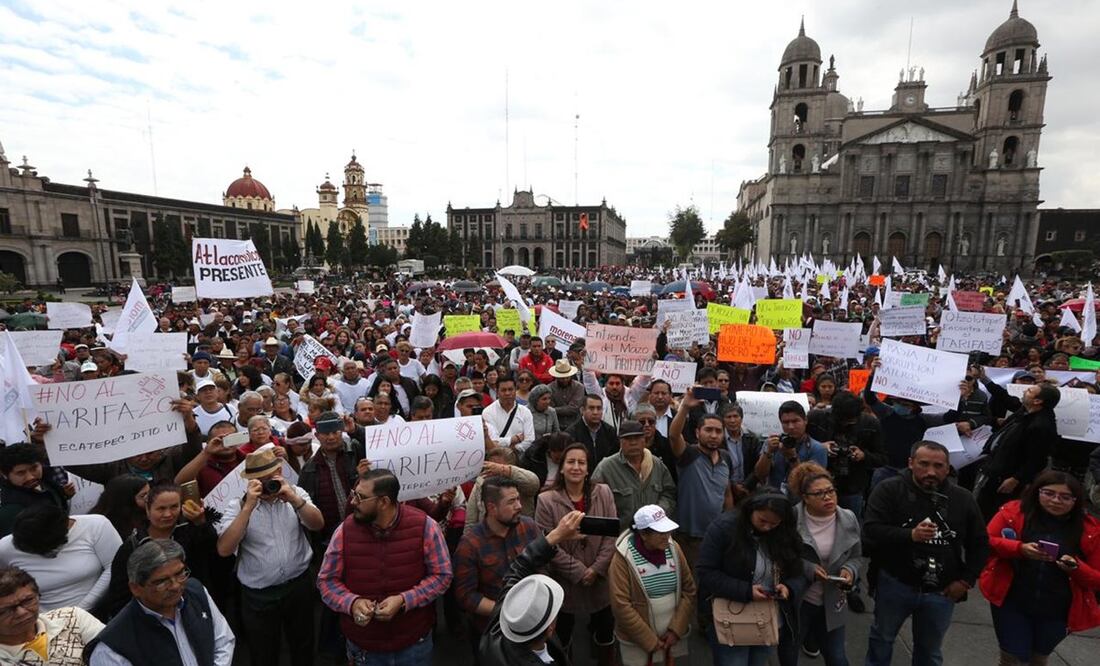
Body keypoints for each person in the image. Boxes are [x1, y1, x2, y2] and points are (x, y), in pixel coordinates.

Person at [863, 441, 990, 666]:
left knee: (929, 651)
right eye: (924, 464)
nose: (931, 471)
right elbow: (871, 529)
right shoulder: (889, 489)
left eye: (939, 465)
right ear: (910, 463)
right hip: (895, 583)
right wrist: (910, 535)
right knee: (882, 639)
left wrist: (967, 580)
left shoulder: (963, 498)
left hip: (942, 590)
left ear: (949, 468)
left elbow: (980, 543)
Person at [317, 468, 453, 666]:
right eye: (354, 494)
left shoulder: (426, 527)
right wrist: (352, 602)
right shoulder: (344, 531)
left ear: (383, 502)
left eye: (361, 497)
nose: (353, 502)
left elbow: (442, 575)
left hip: (414, 643)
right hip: (363, 646)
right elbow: (326, 581)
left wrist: (405, 600)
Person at [214, 448, 323, 666]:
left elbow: (317, 524)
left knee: (303, 645)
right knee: (263, 652)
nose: (266, 485)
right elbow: (224, 549)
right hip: (259, 595)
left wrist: (293, 499)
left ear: (280, 471)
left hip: (298, 586)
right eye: (259, 480)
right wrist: (248, 508)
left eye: (270, 478)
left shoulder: (296, 493)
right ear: (250, 481)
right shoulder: (237, 506)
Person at [980, 470, 1100, 666]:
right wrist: (1019, 549)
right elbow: (985, 542)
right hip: (1012, 601)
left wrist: (1076, 568)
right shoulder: (1013, 512)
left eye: (1065, 497)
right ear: (1037, 492)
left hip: (1058, 609)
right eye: (1049, 493)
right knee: (1013, 657)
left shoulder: (1091, 530)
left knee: (1038, 658)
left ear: (1076, 501)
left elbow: (1097, 578)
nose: (1056, 500)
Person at [696, 489, 809, 666]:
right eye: (762, 520)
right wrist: (746, 591)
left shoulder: (785, 533)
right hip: (730, 617)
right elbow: (705, 572)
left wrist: (789, 587)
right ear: (751, 510)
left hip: (768, 617)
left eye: (774, 524)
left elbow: (799, 572)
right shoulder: (724, 528)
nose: (767, 527)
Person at [87, 539, 234, 665]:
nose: (176, 586)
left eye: (180, 574)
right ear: (136, 588)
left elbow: (224, 642)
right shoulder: (112, 647)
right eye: (162, 581)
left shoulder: (196, 593)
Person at [534, 443, 618, 664]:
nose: (576, 467)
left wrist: (596, 569)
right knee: (562, 635)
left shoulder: (604, 492)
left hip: (599, 580)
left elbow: (611, 537)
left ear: (588, 468)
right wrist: (580, 572)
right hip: (565, 583)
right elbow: (547, 544)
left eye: (581, 462)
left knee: (605, 630)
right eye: (570, 462)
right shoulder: (546, 500)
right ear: (561, 468)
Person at [478, 510, 586, 666]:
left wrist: (555, 536)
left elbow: (518, 568)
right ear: (550, 629)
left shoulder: (496, 632)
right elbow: (517, 570)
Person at [100, 482, 218, 620]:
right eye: (161, 509)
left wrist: (201, 523)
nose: (168, 514)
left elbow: (214, 553)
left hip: (194, 610)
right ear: (148, 510)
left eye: (174, 507)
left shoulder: (191, 532)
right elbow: (120, 596)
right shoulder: (133, 546)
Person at [454, 476, 543, 642]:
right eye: (511, 502)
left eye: (518, 499)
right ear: (492, 508)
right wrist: (505, 611)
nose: (519, 506)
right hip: (493, 631)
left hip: (532, 622)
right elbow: (466, 596)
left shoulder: (529, 526)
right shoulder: (470, 544)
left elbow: (542, 567)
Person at [608, 505, 697, 666]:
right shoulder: (623, 558)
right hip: (637, 642)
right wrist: (649, 641)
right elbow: (621, 605)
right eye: (660, 532)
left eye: (667, 530)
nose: (667, 536)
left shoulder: (674, 548)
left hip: (671, 638)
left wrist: (675, 630)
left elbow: (689, 590)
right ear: (643, 534)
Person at [793, 466, 863, 666]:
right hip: (800, 601)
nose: (828, 497)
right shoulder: (792, 519)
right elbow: (782, 557)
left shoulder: (848, 518)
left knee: (837, 657)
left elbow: (857, 556)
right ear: (805, 498)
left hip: (833, 601)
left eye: (831, 491)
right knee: (789, 653)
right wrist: (809, 569)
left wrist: (850, 571)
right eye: (819, 493)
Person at [0, 505, 121, 614]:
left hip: (98, 611)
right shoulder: (5, 548)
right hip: (39, 620)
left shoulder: (96, 525)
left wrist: (80, 610)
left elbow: (115, 566)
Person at [973, 380, 1062, 521]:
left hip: (1006, 478)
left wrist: (1016, 479)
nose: (1024, 392)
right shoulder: (1025, 413)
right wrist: (985, 379)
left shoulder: (1041, 426)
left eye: (1030, 391)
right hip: (995, 469)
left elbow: (1036, 459)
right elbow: (1007, 399)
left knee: (994, 513)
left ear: (1038, 401)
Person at [667, 388, 734, 569]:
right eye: (708, 430)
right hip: (688, 537)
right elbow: (673, 436)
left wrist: (729, 525)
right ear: (697, 433)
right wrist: (685, 408)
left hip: (715, 536)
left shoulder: (726, 458)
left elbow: (726, 494)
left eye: (718, 431)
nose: (713, 435)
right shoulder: (689, 454)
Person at [0, 566, 104, 664]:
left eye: (28, 600)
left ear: (38, 595)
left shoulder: (72, 618)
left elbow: (113, 652)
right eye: (5, 611)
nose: (21, 613)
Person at [592, 420, 677, 532]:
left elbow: (669, 493)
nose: (633, 443)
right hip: (620, 537)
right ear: (620, 441)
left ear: (644, 440)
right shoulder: (606, 468)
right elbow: (594, 504)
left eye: (637, 438)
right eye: (628, 439)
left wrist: (657, 512)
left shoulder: (657, 465)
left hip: (654, 535)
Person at [753, 400, 828, 493]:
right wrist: (768, 453)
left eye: (795, 421)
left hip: (801, 500)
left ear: (805, 420)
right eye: (786, 422)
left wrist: (792, 458)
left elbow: (812, 484)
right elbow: (760, 475)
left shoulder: (817, 449)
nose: (791, 427)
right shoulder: (772, 444)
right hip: (775, 497)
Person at [0, 443, 70, 539]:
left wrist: (63, 495)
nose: (30, 477)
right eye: (21, 473)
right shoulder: (11, 509)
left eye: (34, 468)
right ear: (4, 474)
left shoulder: (49, 484)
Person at [482, 375, 536, 451]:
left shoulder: (525, 412)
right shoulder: (488, 412)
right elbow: (492, 441)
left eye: (510, 389)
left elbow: (529, 440)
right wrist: (512, 439)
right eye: (503, 390)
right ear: (497, 392)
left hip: (519, 457)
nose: (507, 393)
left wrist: (513, 449)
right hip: (496, 458)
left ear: (515, 390)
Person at [88, 475, 149, 540]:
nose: (149, 499)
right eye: (143, 496)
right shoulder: (102, 526)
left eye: (149, 492)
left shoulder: (147, 517)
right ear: (126, 499)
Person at [566, 395, 620, 467]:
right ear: (582, 410)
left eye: (599, 408)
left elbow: (614, 458)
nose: (595, 412)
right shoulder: (571, 433)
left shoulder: (610, 431)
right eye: (591, 408)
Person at [549, 360, 585, 430]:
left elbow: (574, 408)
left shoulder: (579, 387)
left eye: (567, 377)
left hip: (575, 426)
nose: (565, 380)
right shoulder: (549, 388)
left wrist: (554, 410)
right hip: (556, 426)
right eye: (562, 378)